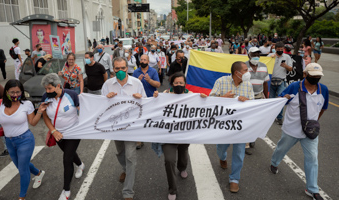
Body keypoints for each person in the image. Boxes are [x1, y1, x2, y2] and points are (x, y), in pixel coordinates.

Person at [270, 63, 328, 200]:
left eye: (318, 76)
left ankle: (312, 189)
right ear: (305, 74)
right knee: (281, 149)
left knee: (312, 158)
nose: (316, 78)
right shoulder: (294, 87)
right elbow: (280, 101)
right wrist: (283, 98)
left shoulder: (323, 89)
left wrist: (313, 122)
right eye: (313, 76)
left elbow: (323, 108)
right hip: (291, 129)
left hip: (310, 132)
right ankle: (274, 162)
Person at [152, 72, 207, 200]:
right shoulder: (165, 94)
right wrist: (155, 97)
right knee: (169, 160)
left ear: (185, 84)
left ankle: (182, 167)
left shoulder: (191, 95)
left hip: (184, 134)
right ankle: (172, 189)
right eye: (176, 83)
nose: (179, 85)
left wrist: (203, 98)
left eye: (181, 83)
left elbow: (201, 107)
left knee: (183, 152)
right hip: (168, 135)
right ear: (171, 84)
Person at [0, 80, 46, 200]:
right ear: (6, 92)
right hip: (9, 142)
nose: (15, 95)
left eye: (18, 92)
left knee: (22, 170)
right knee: (21, 166)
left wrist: (39, 112)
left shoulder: (27, 104)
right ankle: (39, 173)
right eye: (12, 92)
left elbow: (33, 123)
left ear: (21, 92)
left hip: (25, 140)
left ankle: (21, 197)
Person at [101, 57, 147, 200]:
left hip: (131, 127)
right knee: (120, 152)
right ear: (113, 69)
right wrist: (106, 98)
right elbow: (99, 105)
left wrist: (141, 98)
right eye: (117, 68)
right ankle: (125, 170)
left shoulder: (137, 83)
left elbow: (146, 103)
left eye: (123, 68)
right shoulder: (108, 84)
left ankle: (128, 192)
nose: (120, 71)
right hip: (115, 126)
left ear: (127, 68)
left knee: (130, 156)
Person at [209, 61, 254, 193]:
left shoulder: (248, 85)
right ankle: (222, 157)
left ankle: (234, 179)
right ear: (237, 73)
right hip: (224, 124)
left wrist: (247, 101)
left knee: (239, 153)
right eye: (245, 70)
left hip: (241, 125)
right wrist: (223, 97)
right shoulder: (221, 81)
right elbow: (210, 101)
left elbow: (253, 104)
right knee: (221, 148)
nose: (248, 73)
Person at [41, 73, 85, 200]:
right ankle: (81, 165)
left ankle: (66, 190)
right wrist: (53, 131)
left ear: (58, 86)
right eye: (46, 89)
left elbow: (83, 110)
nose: (47, 91)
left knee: (66, 159)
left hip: (74, 132)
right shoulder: (46, 97)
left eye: (49, 88)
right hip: (58, 134)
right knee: (69, 153)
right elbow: (45, 116)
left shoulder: (71, 95)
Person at [244, 47, 270, 154]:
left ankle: (251, 138)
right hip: (246, 98)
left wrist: (267, 99)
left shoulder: (264, 67)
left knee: (255, 120)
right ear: (249, 55)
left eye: (258, 55)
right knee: (247, 120)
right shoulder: (243, 66)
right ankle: (245, 144)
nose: (256, 57)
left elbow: (265, 83)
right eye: (254, 55)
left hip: (259, 96)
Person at [269, 42, 293, 125]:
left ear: (283, 49)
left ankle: (279, 118)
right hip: (271, 81)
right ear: (275, 49)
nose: (280, 50)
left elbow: (290, 69)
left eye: (281, 49)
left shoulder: (287, 57)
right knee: (271, 100)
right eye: (278, 49)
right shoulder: (270, 56)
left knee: (281, 100)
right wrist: (270, 59)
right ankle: (270, 116)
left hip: (281, 81)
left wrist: (285, 66)